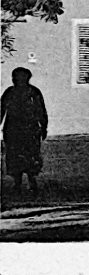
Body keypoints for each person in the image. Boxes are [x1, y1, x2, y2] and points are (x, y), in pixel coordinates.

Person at [1, 67, 48, 195]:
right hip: (13, 130)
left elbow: (41, 111)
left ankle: (31, 181)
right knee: (16, 156)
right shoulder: (10, 92)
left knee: (30, 155)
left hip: (29, 130)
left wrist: (44, 127)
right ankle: (18, 183)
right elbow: (1, 110)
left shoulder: (33, 93)